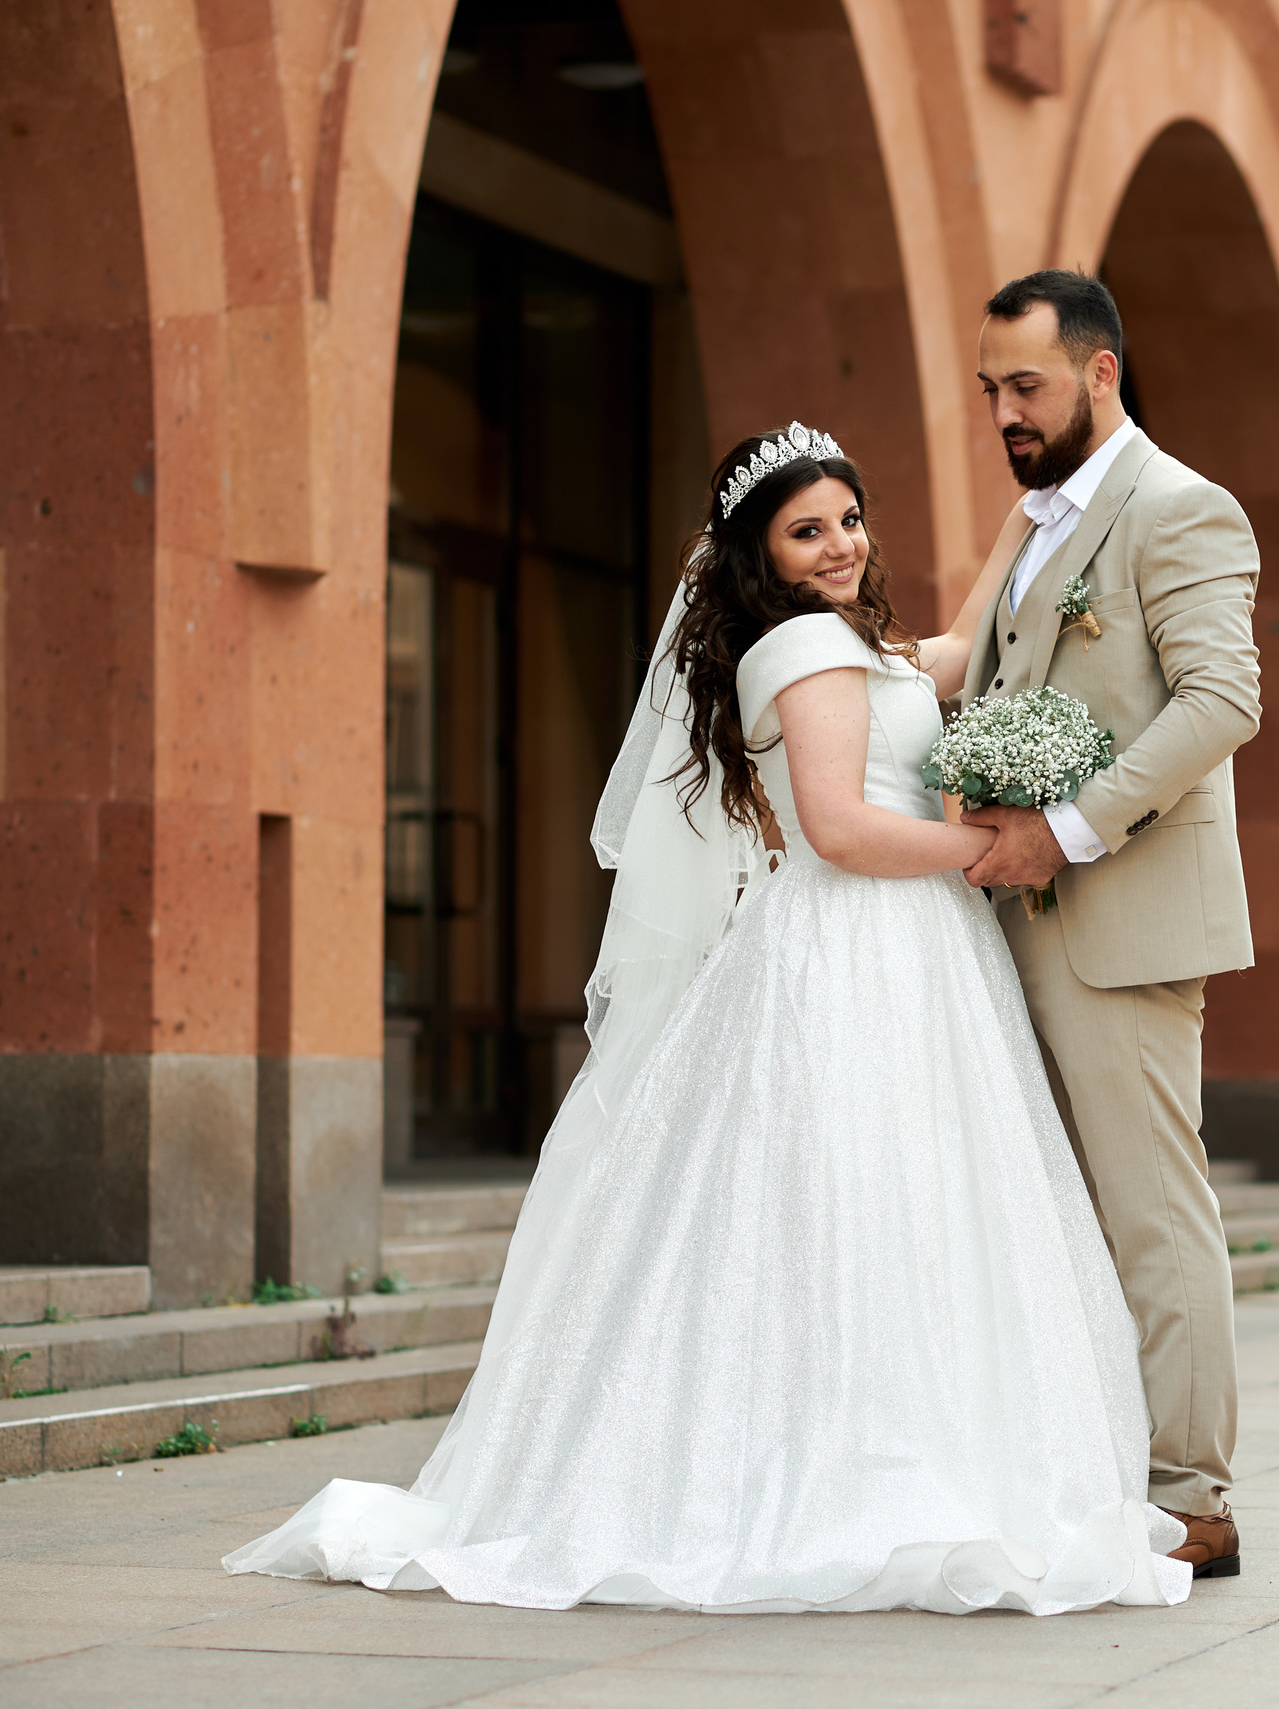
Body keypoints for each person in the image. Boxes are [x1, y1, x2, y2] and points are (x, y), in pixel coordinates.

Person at [223, 422, 1191, 1615]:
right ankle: (844, 1469)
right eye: (805, 530)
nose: (839, 544)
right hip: (855, 945)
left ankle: (897, 1447)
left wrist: (1026, 525)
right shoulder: (802, 647)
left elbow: (948, 652)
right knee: (856, 1197)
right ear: (757, 554)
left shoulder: (850, 641)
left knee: (903, 1197)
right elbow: (838, 828)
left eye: (849, 518)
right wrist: (993, 848)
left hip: (911, 947)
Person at [960, 270, 1262, 1578]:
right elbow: (972, 669)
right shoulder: (1035, 524)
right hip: (1020, 919)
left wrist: (1066, 827)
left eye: (1025, 386)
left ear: (1099, 372)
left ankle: (1193, 1497)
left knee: (1150, 1214)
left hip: (1122, 917)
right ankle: (1092, 1470)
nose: (1004, 414)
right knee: (1060, 1217)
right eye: (990, 391)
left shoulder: (1180, 506)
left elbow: (1221, 701)